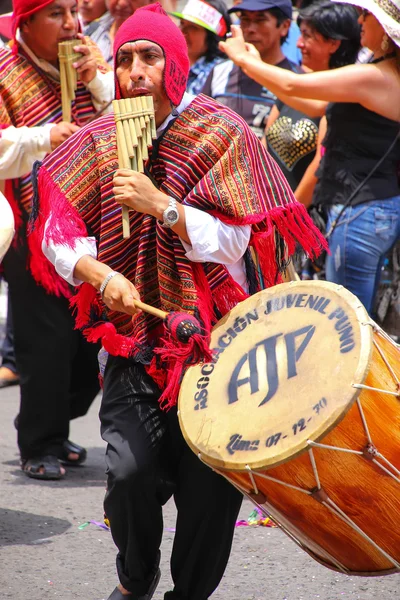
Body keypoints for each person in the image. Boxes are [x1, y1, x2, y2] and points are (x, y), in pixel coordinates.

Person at [32, 4, 326, 597]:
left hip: (215, 341)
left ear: (176, 65)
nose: (135, 71)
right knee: (130, 472)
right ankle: (135, 579)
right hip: (134, 340)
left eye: (149, 56)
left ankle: (190, 593)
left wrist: (161, 205)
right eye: (124, 59)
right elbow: (57, 232)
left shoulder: (223, 132)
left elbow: (237, 240)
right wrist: (96, 272)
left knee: (210, 487)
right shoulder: (97, 140)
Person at [219, 0, 400, 316]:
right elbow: (309, 101)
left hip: (362, 211)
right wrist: (250, 62)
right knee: (351, 316)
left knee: (349, 318)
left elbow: (292, 82)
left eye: (368, 15)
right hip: (362, 209)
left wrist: (243, 59)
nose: (361, 20)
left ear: (385, 30)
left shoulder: (376, 76)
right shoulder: (377, 71)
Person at [0, 0, 115, 479]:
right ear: (26, 21)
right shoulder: (5, 70)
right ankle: (39, 444)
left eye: (74, 11)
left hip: (91, 224)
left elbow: (126, 123)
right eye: (56, 14)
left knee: (89, 341)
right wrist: (44, 137)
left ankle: (48, 424)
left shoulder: (89, 58)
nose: (72, 24)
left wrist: (98, 80)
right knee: (44, 343)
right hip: (31, 228)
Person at [265, 0, 361, 200]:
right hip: (266, 207)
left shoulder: (345, 97)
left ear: (333, 44)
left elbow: (319, 164)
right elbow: (264, 143)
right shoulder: (297, 83)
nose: (299, 43)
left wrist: (288, 217)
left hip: (301, 219)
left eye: (307, 36)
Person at [201, 0, 300, 139]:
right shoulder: (220, 71)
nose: (250, 29)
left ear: (284, 26)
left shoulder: (297, 80)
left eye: (260, 20)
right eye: (245, 19)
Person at [170, 0, 231, 95]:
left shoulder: (219, 72)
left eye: (193, 27)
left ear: (212, 37)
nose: (182, 31)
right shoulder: (171, 65)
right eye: (182, 23)